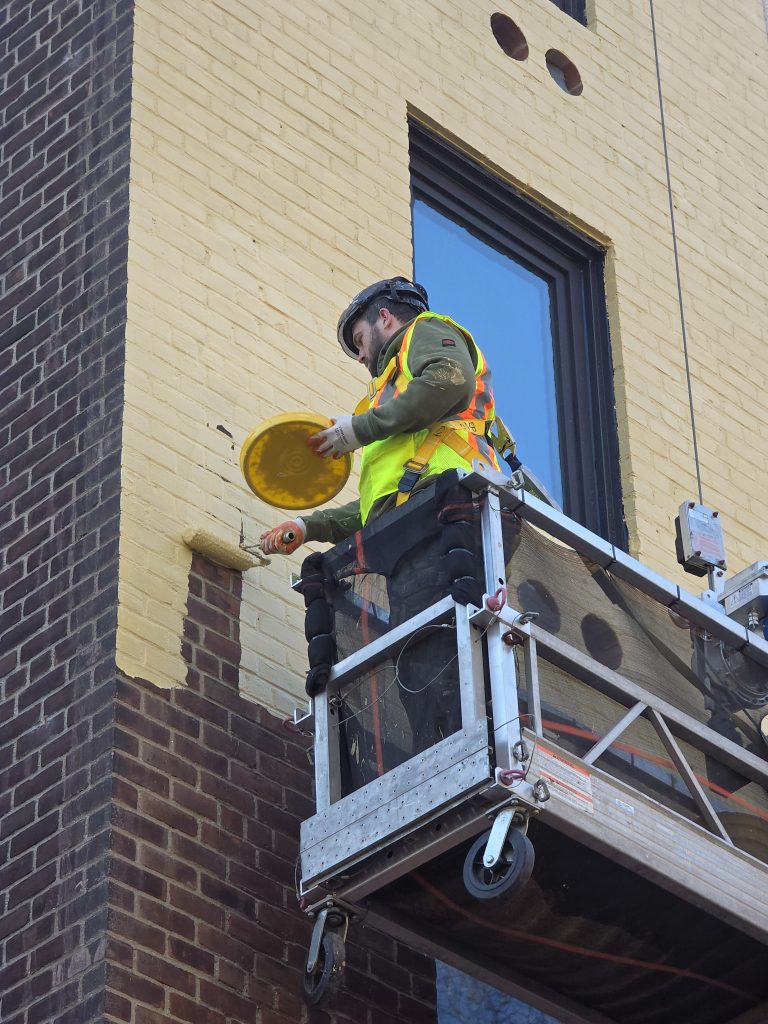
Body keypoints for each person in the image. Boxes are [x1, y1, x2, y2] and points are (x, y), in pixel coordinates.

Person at [259, 277, 500, 555]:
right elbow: (378, 503)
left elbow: (450, 379)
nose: (360, 356)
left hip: (454, 502)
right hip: (416, 520)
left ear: (385, 318)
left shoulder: (425, 329)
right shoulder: (388, 396)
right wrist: (308, 526)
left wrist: (359, 429)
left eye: (359, 340)